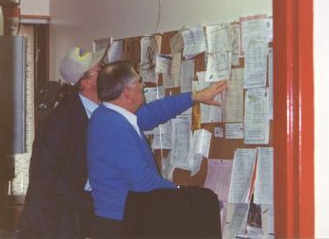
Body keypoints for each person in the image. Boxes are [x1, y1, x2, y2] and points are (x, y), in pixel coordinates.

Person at [87, 61, 228, 238]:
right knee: (204, 203)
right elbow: (141, 180)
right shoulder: (112, 125)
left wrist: (195, 97)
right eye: (138, 82)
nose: (143, 85)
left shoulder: (110, 114)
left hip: (125, 216)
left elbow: (153, 113)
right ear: (128, 92)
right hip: (120, 223)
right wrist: (179, 192)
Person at [17, 46, 107, 239]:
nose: (107, 73)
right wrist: (89, 201)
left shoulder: (101, 113)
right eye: (100, 69)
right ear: (85, 81)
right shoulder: (60, 122)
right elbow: (46, 178)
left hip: (78, 215)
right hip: (56, 223)